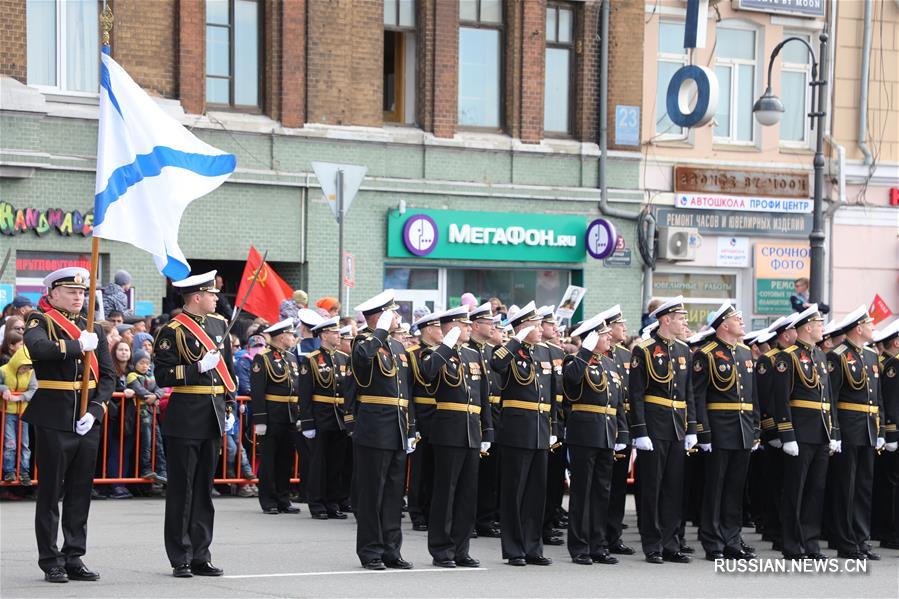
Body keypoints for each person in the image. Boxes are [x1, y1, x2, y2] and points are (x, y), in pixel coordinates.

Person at [22, 267, 114, 583]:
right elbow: (38, 348)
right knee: (50, 492)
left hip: (86, 419)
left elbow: (109, 376)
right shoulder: (41, 320)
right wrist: (76, 346)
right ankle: (51, 559)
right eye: (72, 291)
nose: (78, 297)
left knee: (79, 492)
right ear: (53, 293)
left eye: (82, 292)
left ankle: (74, 555)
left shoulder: (95, 329)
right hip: (53, 417)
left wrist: (97, 410)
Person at [153, 270, 237, 578]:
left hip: (212, 413)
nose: (217, 298)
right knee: (182, 490)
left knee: (204, 490)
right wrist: (196, 367)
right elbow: (161, 376)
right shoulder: (171, 331)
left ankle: (201, 553)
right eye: (213, 294)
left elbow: (226, 371)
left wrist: (228, 405)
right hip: (186, 414)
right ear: (197, 297)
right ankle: (181, 555)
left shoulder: (219, 325)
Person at [415, 306, 492, 568]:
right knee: (445, 493)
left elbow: (483, 397)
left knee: (467, 494)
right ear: (451, 327)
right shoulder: (434, 353)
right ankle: (441, 549)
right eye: (464, 324)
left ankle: (461, 548)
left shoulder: (473, 354)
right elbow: (427, 374)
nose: (470, 329)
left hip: (472, 429)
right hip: (448, 429)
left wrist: (487, 429)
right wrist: (445, 347)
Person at [347, 290, 416, 570]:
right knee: (372, 492)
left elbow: (406, 391)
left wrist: (411, 428)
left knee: (393, 494)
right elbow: (363, 360)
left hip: (397, 426)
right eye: (392, 313)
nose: (398, 318)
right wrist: (379, 332)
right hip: (375, 427)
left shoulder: (398, 348)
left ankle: (391, 549)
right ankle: (370, 550)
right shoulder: (363, 342)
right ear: (379, 316)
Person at [629, 296, 696, 564]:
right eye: (680, 318)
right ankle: (653, 544)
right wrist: (640, 431)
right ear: (665, 319)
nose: (684, 323)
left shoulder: (684, 350)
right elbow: (635, 395)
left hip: (677, 426)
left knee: (673, 489)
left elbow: (688, 392)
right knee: (652, 489)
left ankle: (671, 543)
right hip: (654, 426)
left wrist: (691, 428)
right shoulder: (643, 350)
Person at [491, 301, 559, 567]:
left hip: (540, 430)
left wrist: (552, 427)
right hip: (516, 431)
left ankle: (533, 547)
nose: (541, 329)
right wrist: (515, 339)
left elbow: (551, 394)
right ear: (522, 327)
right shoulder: (506, 351)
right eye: (535, 325)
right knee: (514, 492)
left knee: (535, 493)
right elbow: (496, 364)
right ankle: (514, 549)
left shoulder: (543, 353)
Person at [691, 302, 759, 561]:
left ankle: (732, 540)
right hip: (719, 429)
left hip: (742, 429)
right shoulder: (706, 354)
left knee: (734, 489)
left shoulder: (743, 352)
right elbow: (698, 397)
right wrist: (703, 432)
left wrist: (754, 428)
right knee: (715, 488)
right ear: (724, 325)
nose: (741, 322)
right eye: (736, 318)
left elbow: (752, 396)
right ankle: (713, 542)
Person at [771, 304, 835, 560]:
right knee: (795, 490)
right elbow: (781, 399)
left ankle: (811, 542)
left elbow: (827, 399)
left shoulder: (819, 356)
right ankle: (792, 544)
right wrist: (787, 434)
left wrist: (833, 433)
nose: (822, 328)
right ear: (808, 327)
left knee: (815, 491)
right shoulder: (788, 357)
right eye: (819, 324)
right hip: (799, 433)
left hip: (820, 432)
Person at [563, 316, 628, 565]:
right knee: (582, 491)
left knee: (602, 491)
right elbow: (571, 382)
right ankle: (579, 547)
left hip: (606, 432)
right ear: (591, 338)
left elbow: (618, 403)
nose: (609, 337)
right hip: (584, 433)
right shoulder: (575, 360)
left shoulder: (610, 365)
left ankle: (598, 545)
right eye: (603, 334)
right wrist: (585, 349)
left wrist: (622, 434)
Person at [826, 306, 885, 560]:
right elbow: (832, 397)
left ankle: (861, 539)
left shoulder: (871, 356)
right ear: (858, 328)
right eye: (869, 325)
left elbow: (877, 397)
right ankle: (846, 541)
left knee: (863, 487)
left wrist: (880, 428)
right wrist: (835, 432)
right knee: (845, 487)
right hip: (849, 427)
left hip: (869, 428)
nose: (873, 329)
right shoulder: (838, 356)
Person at [297, 316, 350, 519]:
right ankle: (317, 504)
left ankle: (332, 502)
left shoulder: (343, 359)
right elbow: (305, 394)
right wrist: (308, 422)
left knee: (337, 463)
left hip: (339, 417)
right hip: (321, 417)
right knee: (319, 464)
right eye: (335, 332)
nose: (339, 335)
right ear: (324, 335)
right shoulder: (311, 360)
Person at [754, 313, 798, 551]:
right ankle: (773, 529)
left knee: (786, 484)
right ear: (785, 334)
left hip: (791, 430)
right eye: (793, 330)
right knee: (775, 483)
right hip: (775, 432)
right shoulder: (768, 360)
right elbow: (766, 399)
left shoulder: (795, 358)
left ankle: (782, 529)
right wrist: (771, 432)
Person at [596, 304, 636, 556]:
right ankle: (597, 535)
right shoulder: (599, 354)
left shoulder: (625, 355)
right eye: (620, 325)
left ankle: (614, 536)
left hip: (623, 425)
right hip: (602, 425)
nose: (625, 329)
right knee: (602, 485)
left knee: (618, 484)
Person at [251, 319, 302, 515]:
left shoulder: (290, 357)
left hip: (289, 413)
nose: (293, 338)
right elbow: (257, 391)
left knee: (285, 460)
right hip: (272, 415)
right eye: (290, 334)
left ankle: (283, 498)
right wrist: (261, 420)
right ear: (281, 336)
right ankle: (268, 500)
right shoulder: (262, 359)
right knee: (269, 460)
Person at [406, 310, 444, 531]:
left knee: (437, 468)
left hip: (442, 415)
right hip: (422, 414)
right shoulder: (412, 355)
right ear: (428, 330)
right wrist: (412, 423)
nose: (442, 332)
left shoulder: (444, 352)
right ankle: (417, 512)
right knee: (420, 469)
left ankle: (431, 510)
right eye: (439, 328)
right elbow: (408, 392)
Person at [466, 303, 502, 538]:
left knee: (491, 471)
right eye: (490, 323)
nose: (494, 327)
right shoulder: (466, 350)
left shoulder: (492, 351)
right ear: (476, 325)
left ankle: (485, 518)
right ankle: (467, 519)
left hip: (494, 414)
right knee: (470, 473)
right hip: (472, 413)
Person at [536, 306, 567, 546]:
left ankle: (550, 519)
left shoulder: (557, 352)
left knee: (554, 477)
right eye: (549, 324)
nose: (554, 328)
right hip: (538, 418)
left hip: (556, 417)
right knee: (542, 479)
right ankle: (542, 525)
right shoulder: (537, 352)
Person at [872, 319, 899, 549]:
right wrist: (891, 433)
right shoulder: (893, 366)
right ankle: (889, 531)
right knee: (890, 484)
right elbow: (890, 403)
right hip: (894, 434)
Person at [127, 349, 167, 485]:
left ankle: (162, 470)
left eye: (147, 363)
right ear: (135, 364)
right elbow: (139, 390)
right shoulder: (132, 376)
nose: (145, 366)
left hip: (153, 412)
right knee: (146, 442)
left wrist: (156, 396)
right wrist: (150, 396)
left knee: (158, 442)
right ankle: (146, 468)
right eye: (141, 363)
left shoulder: (152, 376)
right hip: (142, 412)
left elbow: (161, 388)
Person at [107, 340, 138, 499]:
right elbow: (108, 387)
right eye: (121, 349)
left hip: (129, 417)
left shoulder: (133, 370)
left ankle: (122, 484)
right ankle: (114, 485)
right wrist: (122, 390)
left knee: (126, 452)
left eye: (127, 350)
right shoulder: (111, 370)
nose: (124, 352)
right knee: (114, 451)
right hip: (114, 417)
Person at [1, 346, 36, 485]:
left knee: (24, 444)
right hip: (8, 412)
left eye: (28, 367)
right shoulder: (3, 370)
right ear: (17, 363)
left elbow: (34, 389)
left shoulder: (31, 373)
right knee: (10, 443)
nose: (25, 370)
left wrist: (20, 397)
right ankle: (9, 471)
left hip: (24, 412)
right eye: (23, 367)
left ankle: (24, 472)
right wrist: (4, 389)